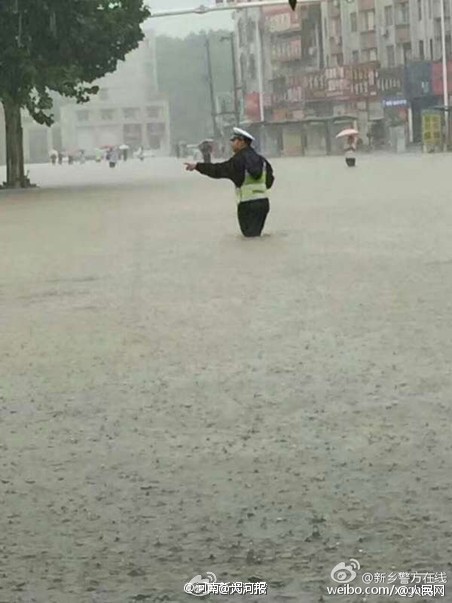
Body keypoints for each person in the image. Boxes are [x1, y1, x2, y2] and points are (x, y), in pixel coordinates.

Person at [185, 127, 274, 238]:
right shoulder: (262, 160)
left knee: (249, 239)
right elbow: (270, 182)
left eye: (234, 140)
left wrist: (198, 166)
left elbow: (218, 170)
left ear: (242, 142)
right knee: (256, 237)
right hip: (263, 204)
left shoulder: (238, 160)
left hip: (247, 206)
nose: (232, 143)